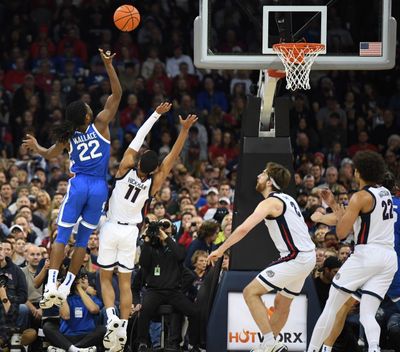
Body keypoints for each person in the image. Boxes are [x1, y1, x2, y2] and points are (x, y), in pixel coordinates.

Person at [21, 48, 122, 308]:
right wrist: (108, 65)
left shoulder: (68, 137)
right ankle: (66, 287)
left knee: (61, 236)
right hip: (99, 188)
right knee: (82, 242)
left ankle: (52, 283)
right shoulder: (101, 124)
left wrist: (36, 147)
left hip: (78, 186)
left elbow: (49, 154)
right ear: (88, 116)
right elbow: (117, 94)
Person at [97, 103, 197, 352]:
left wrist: (155, 114)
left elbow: (139, 136)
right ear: (153, 169)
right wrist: (183, 131)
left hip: (110, 227)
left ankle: (111, 318)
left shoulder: (124, 168)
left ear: (139, 161)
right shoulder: (155, 181)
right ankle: (121, 323)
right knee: (124, 282)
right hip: (131, 232)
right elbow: (172, 157)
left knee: (105, 278)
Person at [208, 162, 316, 352]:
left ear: (269, 181)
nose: (258, 176)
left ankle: (269, 342)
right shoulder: (288, 199)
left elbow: (243, 229)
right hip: (308, 257)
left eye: (263, 174)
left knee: (250, 292)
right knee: (282, 303)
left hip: (296, 257)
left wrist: (221, 249)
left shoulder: (270, 202)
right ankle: (267, 346)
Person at [307, 151, 398, 352]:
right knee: (367, 312)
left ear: (358, 172)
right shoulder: (385, 193)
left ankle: (312, 349)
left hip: (368, 254)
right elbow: (352, 217)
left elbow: (341, 232)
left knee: (332, 305)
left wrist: (324, 215)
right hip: (389, 258)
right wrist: (332, 205)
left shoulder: (360, 197)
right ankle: (374, 349)